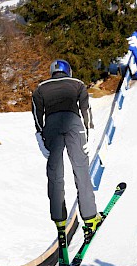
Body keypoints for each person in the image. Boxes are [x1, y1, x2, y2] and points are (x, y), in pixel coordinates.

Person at [32, 59, 102, 242]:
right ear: (67, 70)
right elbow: (85, 109)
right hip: (73, 124)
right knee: (81, 171)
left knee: (55, 175)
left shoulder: (40, 89)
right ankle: (90, 218)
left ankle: (59, 221)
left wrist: (40, 136)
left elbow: (37, 115)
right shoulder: (77, 84)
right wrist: (90, 131)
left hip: (51, 127)